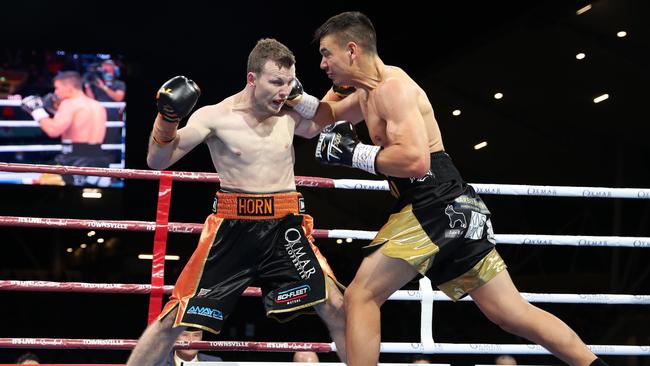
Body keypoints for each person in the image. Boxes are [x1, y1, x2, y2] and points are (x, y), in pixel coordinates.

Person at [285, 11, 608, 366]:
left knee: (361, 296)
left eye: (327, 53)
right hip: (450, 203)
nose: (322, 64)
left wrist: (355, 153)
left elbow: (416, 161)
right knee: (511, 313)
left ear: (351, 50)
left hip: (433, 201)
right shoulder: (364, 92)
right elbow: (318, 121)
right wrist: (290, 95)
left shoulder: (393, 88)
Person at [126, 38, 345, 366]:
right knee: (175, 319)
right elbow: (158, 160)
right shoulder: (216, 117)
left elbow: (324, 120)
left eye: (289, 83)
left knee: (337, 307)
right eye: (276, 82)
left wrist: (302, 98)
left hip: (285, 229)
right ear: (252, 79)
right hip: (231, 229)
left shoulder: (289, 114)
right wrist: (167, 118)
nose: (284, 91)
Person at [20, 71, 110, 186]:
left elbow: (53, 131)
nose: (55, 92)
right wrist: (55, 111)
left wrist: (37, 111)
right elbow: (78, 125)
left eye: (57, 88)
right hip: (99, 158)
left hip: (74, 159)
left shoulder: (69, 104)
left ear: (69, 87)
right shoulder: (97, 105)